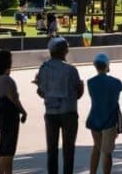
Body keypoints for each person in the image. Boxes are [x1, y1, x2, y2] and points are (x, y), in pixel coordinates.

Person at [34, 36, 83, 174]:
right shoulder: (71, 70)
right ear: (63, 51)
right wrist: (81, 88)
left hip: (50, 113)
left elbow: (41, 91)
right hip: (69, 112)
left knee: (52, 149)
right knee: (69, 149)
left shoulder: (43, 68)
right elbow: (78, 93)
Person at [0, 50, 26, 174]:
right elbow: (13, 98)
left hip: (1, 114)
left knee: (3, 146)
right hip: (10, 114)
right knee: (9, 149)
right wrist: (23, 111)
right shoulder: (5, 79)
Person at [86, 53, 122, 174]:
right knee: (106, 152)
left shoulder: (90, 82)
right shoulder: (116, 82)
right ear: (107, 65)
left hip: (94, 119)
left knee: (96, 147)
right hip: (110, 120)